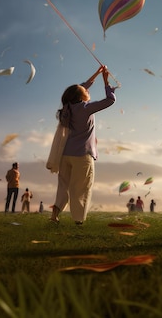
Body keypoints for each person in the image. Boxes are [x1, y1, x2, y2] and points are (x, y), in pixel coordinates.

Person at [49, 65, 116, 225]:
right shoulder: (86, 108)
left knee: (63, 187)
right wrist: (107, 83)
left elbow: (81, 87)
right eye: (85, 91)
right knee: (81, 188)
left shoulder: (67, 107)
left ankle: (54, 216)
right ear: (81, 95)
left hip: (65, 154)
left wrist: (98, 73)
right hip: (82, 155)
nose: (88, 91)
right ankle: (78, 221)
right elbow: (110, 100)